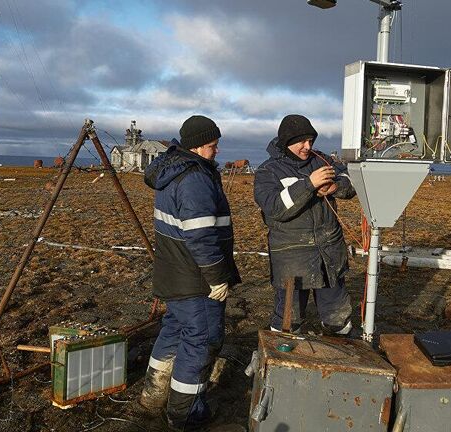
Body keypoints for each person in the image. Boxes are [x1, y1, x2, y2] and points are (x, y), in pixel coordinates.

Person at [139, 115, 241, 430]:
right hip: (196, 279)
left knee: (173, 330)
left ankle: (154, 395)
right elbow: (200, 236)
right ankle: (185, 414)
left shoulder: (171, 171)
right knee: (202, 339)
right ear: (196, 146)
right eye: (212, 145)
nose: (217, 151)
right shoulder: (195, 179)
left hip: (173, 273)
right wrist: (216, 279)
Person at [254, 114, 356, 335]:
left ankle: (341, 356)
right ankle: (280, 361)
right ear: (286, 141)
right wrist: (309, 184)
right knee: (289, 320)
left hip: (329, 252)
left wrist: (334, 188)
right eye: (301, 141)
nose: (307, 146)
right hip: (292, 257)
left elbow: (350, 180)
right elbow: (274, 208)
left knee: (337, 317)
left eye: (311, 140)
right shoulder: (268, 171)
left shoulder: (322, 160)